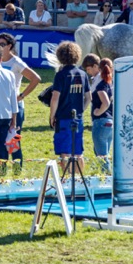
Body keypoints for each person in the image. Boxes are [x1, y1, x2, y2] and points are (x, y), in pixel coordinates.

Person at [0, 32, 40, 166]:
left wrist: (21, 96)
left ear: (9, 46)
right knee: (0, 139)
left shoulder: (16, 62)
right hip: (0, 105)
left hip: (15, 106)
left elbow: (35, 79)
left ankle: (17, 171)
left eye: (2, 44)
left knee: (14, 140)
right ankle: (1, 170)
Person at [47, 41, 90, 177]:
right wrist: (81, 110)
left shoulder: (60, 75)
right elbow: (88, 97)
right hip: (78, 118)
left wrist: (52, 116)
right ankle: (79, 179)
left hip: (63, 118)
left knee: (64, 152)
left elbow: (55, 97)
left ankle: (66, 178)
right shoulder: (83, 74)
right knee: (78, 151)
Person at [83, 54, 114, 171]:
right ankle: (104, 174)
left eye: (88, 69)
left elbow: (105, 102)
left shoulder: (99, 83)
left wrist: (98, 112)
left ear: (96, 67)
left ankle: (105, 177)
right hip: (110, 121)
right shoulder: (108, 82)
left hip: (100, 121)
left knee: (101, 156)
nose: (88, 72)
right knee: (104, 154)